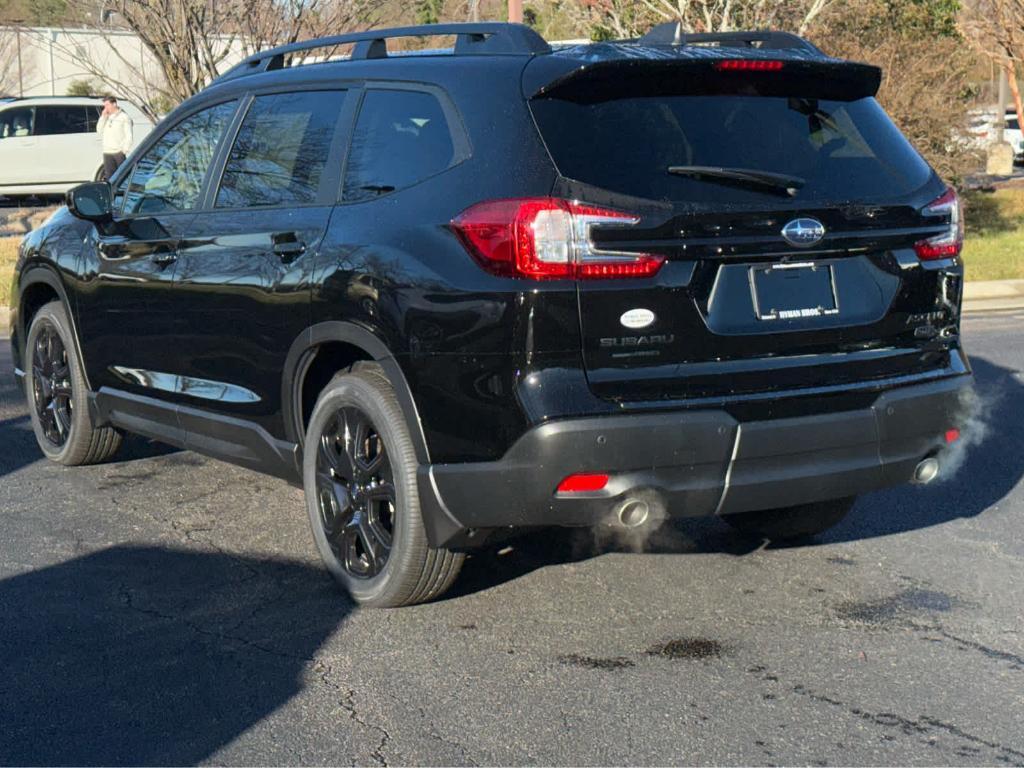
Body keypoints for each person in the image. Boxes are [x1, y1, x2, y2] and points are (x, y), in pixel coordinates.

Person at [96, 95, 133, 180]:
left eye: (107, 105)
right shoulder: (106, 117)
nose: (106, 108)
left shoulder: (124, 117)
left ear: (114, 104)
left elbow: (129, 135)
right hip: (107, 152)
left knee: (122, 177)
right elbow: (99, 130)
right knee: (110, 178)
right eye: (104, 106)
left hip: (118, 152)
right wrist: (103, 117)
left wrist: (124, 150)